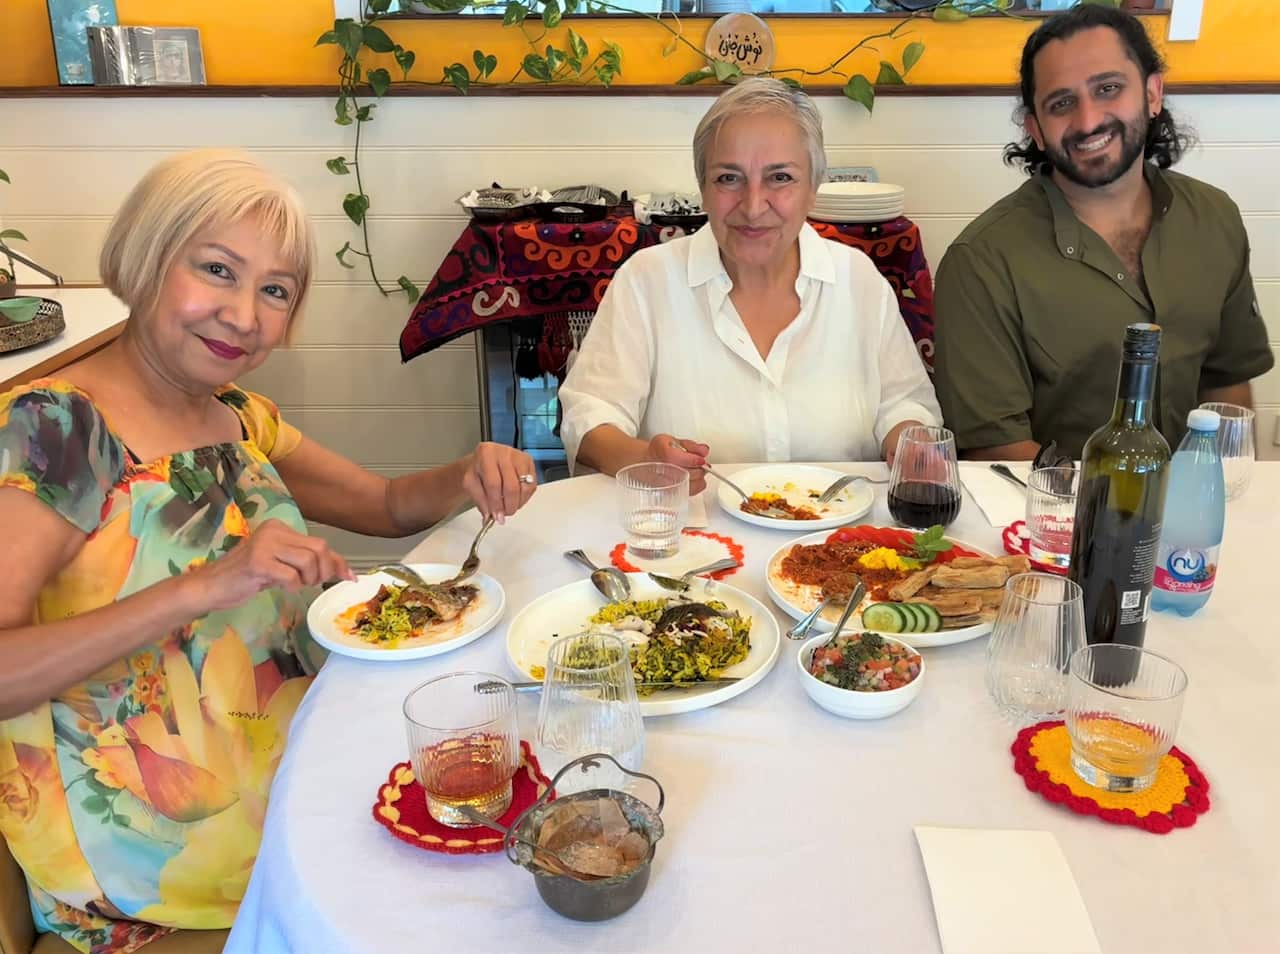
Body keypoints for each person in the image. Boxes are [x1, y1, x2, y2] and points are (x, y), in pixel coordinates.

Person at [0, 150, 536, 952]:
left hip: (301, 774)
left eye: (274, 291)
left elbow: (386, 507)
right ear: (147, 258)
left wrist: (466, 470)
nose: (245, 316)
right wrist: (200, 587)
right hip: (167, 861)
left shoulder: (236, 416)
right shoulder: (57, 429)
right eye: (217, 270)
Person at [559, 77, 941, 494]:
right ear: (703, 188)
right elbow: (590, 416)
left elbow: (906, 404)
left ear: (813, 188)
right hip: (694, 543)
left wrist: (910, 442)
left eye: (780, 178)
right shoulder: (646, 281)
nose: (754, 206)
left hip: (840, 541)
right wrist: (646, 460)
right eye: (728, 178)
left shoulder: (857, 279)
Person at [933, 4, 1272, 461]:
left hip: (1196, 518)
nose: (1089, 121)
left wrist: (1223, 498)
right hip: (1055, 519)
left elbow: (1227, 387)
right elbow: (994, 449)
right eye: (1061, 103)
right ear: (1035, 128)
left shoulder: (1214, 217)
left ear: (1153, 93)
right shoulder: (982, 260)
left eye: (1108, 88)